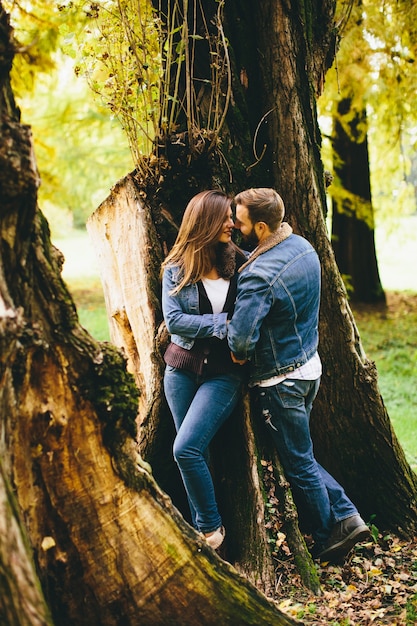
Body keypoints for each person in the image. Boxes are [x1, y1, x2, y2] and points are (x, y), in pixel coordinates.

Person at [227, 187, 370, 563]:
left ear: (260, 227)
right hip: (309, 368)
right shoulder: (303, 247)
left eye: (238, 221)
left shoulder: (257, 276)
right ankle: (348, 516)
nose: (232, 225)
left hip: (280, 382)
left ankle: (328, 536)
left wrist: (237, 353)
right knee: (302, 453)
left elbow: (240, 341)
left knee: (298, 462)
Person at [161, 189, 247, 550]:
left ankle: (210, 533)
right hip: (180, 371)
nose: (232, 223)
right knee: (195, 451)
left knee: (186, 448)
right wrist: (220, 324)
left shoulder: (241, 262)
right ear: (206, 222)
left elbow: (249, 314)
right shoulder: (176, 267)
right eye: (226, 217)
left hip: (223, 373)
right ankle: (207, 531)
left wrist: (226, 326)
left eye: (232, 216)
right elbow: (175, 321)